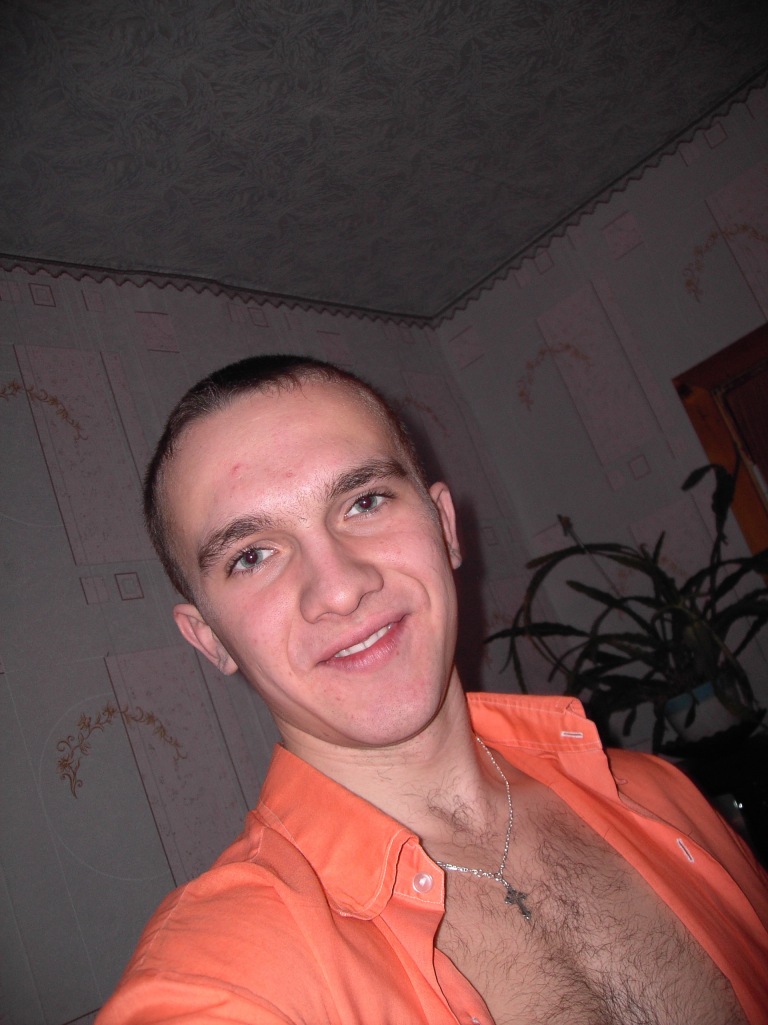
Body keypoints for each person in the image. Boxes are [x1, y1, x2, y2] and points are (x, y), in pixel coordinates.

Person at [98, 354, 768, 1024]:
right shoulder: (218, 976)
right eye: (252, 555)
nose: (340, 587)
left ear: (445, 526)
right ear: (209, 639)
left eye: (364, 501)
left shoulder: (659, 794)